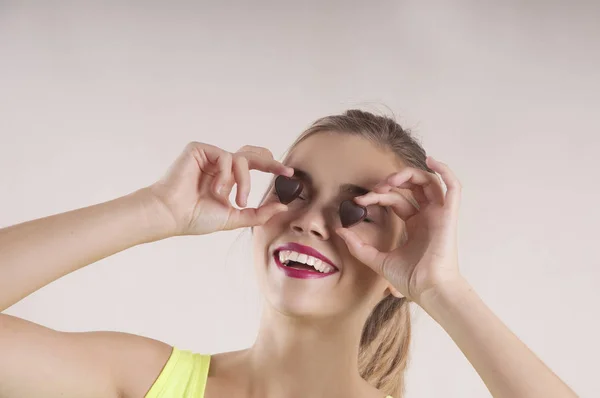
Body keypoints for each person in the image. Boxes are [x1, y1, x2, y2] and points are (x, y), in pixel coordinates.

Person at [0, 110, 577, 398]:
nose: (308, 221)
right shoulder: (149, 381)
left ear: (398, 264)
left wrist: (442, 288)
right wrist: (153, 211)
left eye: (358, 211)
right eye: (294, 190)